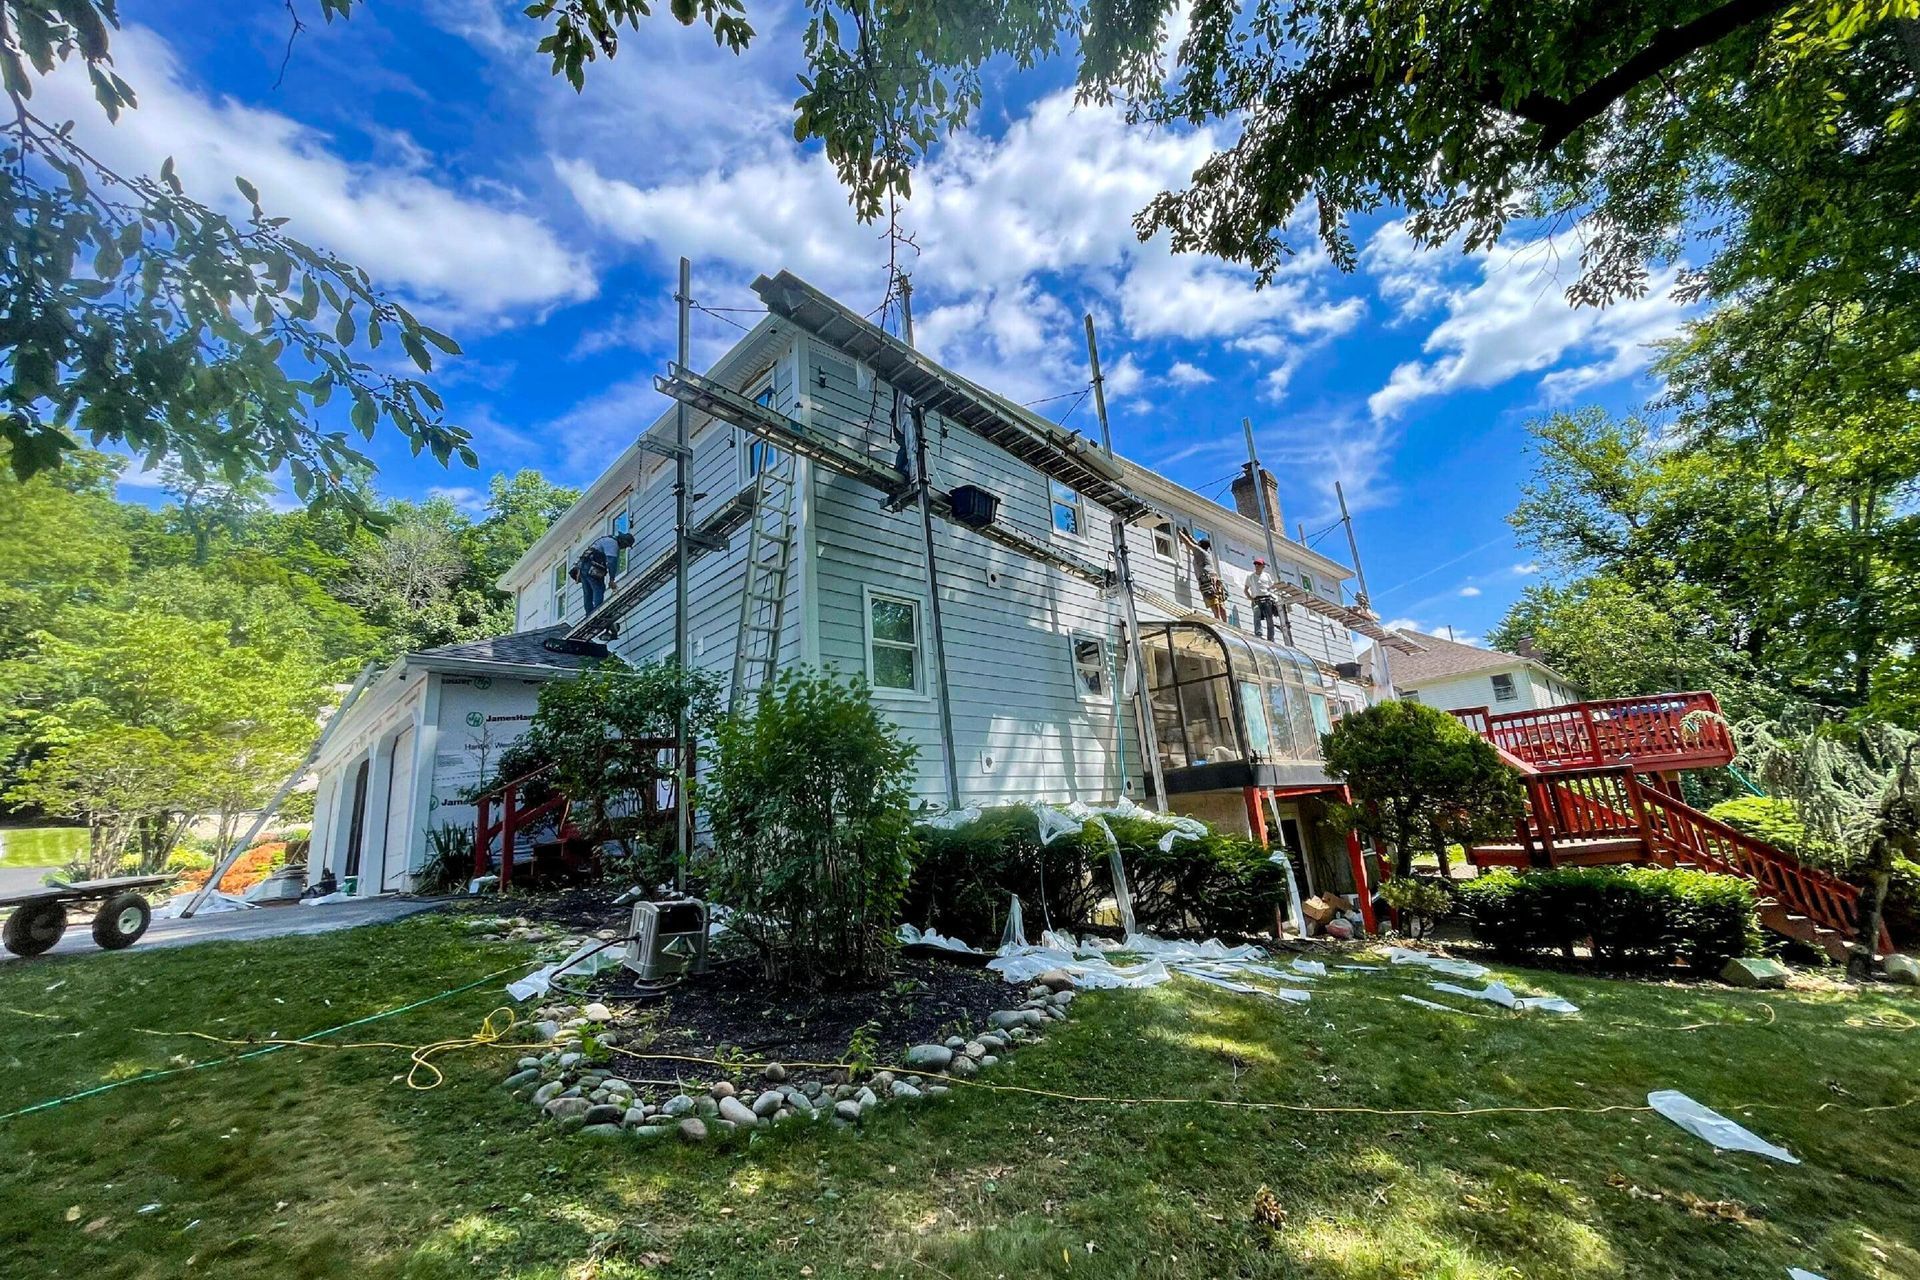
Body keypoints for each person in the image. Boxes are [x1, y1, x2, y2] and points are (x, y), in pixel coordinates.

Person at [570, 530, 636, 617]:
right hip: (592, 569)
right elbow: (612, 561)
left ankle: (589, 614)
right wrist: (612, 579)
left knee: (588, 593)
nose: (624, 548)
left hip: (583, 567)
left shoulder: (606, 539)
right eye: (626, 546)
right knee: (599, 588)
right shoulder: (613, 543)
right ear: (623, 542)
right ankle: (597, 613)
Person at [1181, 529, 1229, 621]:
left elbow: (1189, 543)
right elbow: (1193, 541)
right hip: (1215, 579)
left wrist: (1178, 532)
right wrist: (1188, 534)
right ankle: (1225, 623)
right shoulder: (1205, 552)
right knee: (1220, 601)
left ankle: (1217, 620)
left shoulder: (1200, 551)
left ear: (1200, 545)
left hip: (1207, 579)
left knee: (1213, 600)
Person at [1246, 556, 1282, 640]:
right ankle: (1258, 634)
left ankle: (1271, 638)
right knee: (1257, 617)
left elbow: (1272, 586)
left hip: (1267, 599)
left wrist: (1278, 585)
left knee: (1269, 618)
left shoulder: (1266, 576)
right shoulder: (1250, 576)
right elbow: (1246, 589)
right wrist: (1250, 598)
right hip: (1256, 599)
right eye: (1256, 564)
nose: (1257, 566)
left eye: (1259, 564)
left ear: (1263, 566)